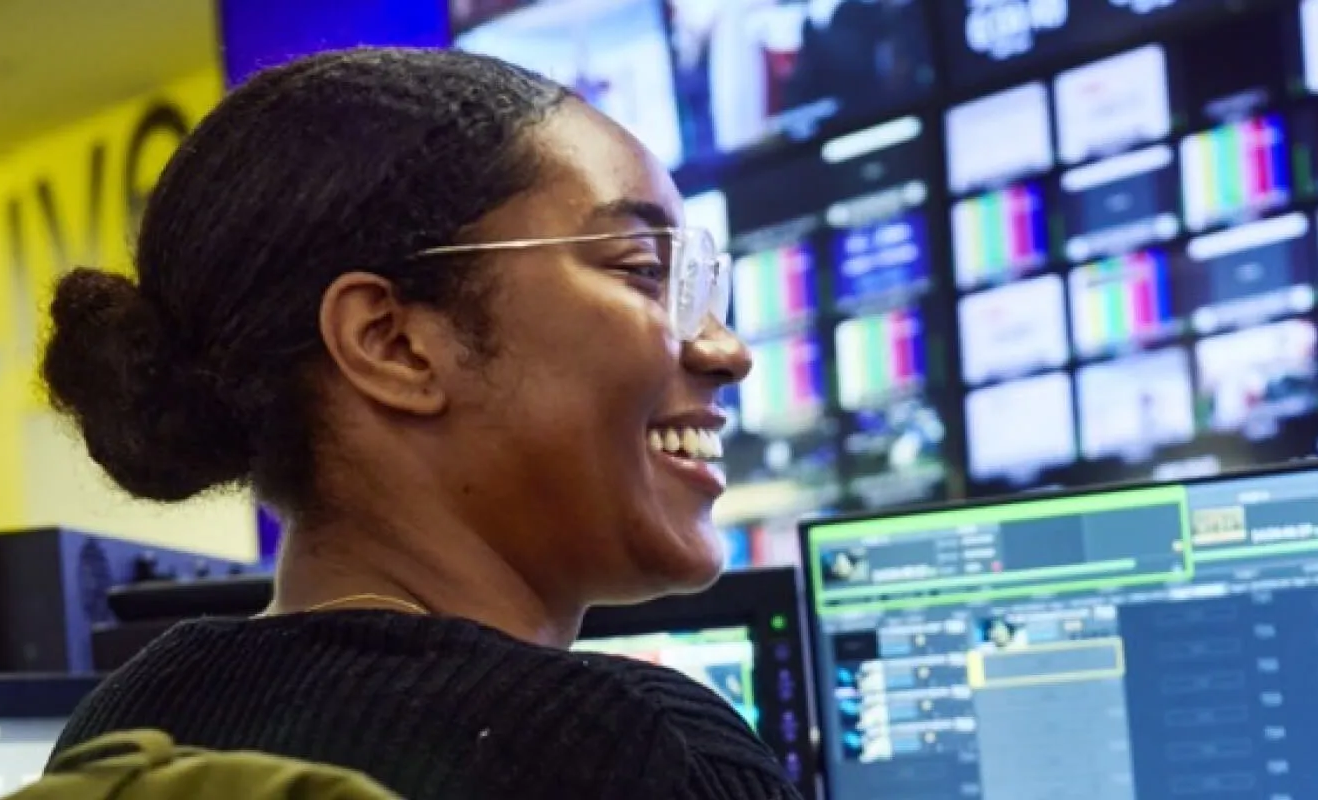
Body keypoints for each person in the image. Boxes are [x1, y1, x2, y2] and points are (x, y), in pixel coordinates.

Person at [40, 49, 792, 799]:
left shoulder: (123, 726)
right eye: (640, 269)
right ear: (393, 344)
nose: (725, 351)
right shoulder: (631, 747)